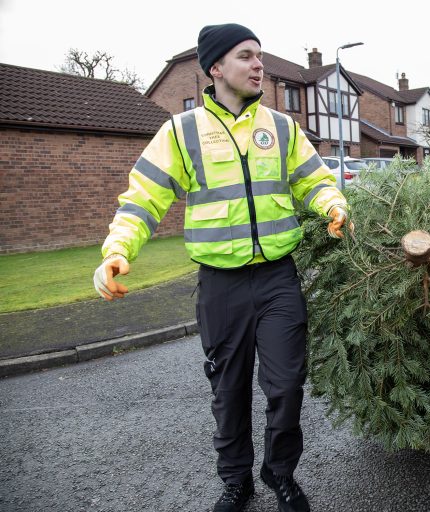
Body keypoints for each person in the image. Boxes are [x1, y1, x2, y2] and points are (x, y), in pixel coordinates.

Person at [93, 23, 352, 512]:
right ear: (215, 68)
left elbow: (314, 180)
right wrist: (117, 250)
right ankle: (237, 482)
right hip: (221, 285)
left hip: (278, 278)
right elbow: (142, 198)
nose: (259, 66)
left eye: (261, 56)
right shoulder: (181, 131)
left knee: (287, 386)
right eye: (246, 56)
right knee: (228, 391)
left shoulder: (281, 127)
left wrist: (332, 206)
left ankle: (279, 474)